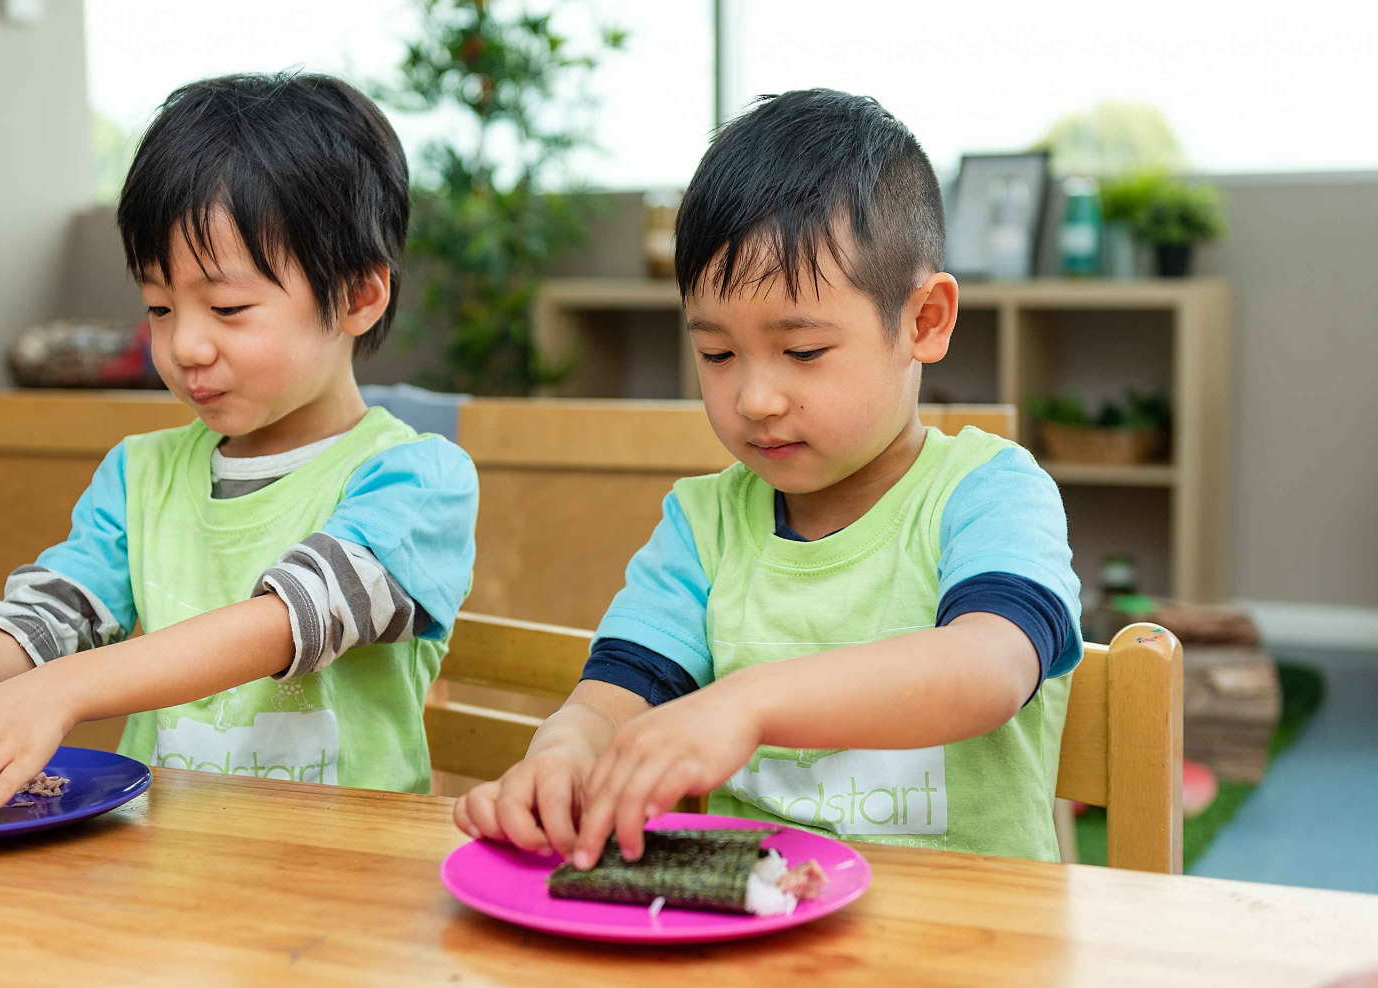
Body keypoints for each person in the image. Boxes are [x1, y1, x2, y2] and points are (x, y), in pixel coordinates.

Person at [0, 73, 477, 829]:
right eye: (159, 306)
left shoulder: (416, 482)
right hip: (160, 889)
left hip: (339, 896)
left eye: (229, 308)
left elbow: (288, 620)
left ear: (358, 296)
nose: (184, 345)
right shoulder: (138, 476)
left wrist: (62, 691)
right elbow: (35, 632)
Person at [454, 89, 1081, 866]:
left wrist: (746, 705)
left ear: (925, 322)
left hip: (969, 950)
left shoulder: (991, 492)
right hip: (754, 936)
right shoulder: (703, 527)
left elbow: (987, 668)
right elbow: (611, 700)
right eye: (717, 355)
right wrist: (563, 759)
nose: (753, 398)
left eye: (804, 351)